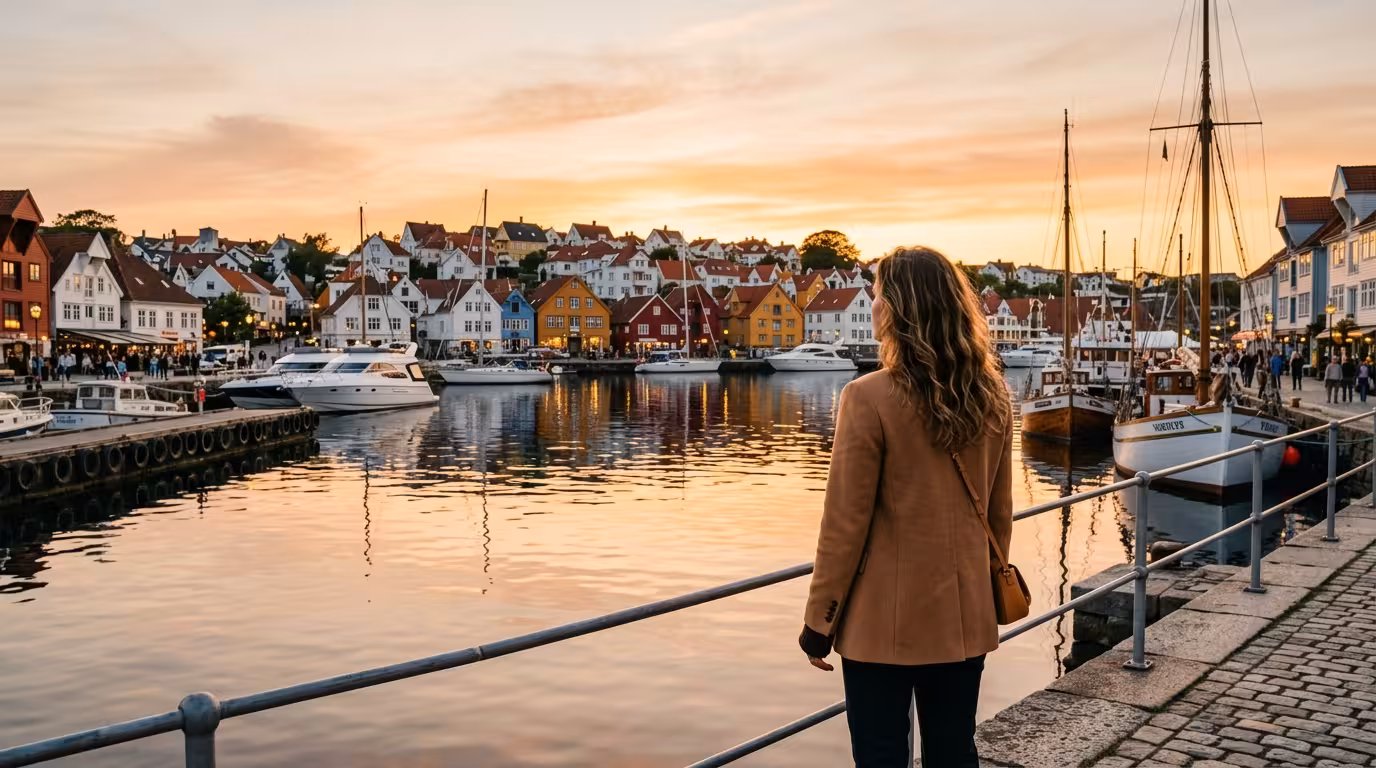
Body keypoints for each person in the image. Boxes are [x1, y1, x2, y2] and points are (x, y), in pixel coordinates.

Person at [799, 246, 1012, 768]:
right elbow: (999, 515)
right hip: (964, 618)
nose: (871, 305)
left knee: (881, 757)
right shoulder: (992, 396)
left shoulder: (868, 397)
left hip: (881, 625)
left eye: (876, 295)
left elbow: (844, 526)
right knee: (953, 754)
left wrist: (819, 622)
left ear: (899, 308)